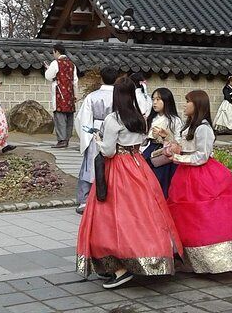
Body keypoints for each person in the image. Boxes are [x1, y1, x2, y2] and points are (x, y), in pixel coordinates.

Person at [76, 77, 183, 289]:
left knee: (112, 216)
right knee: (144, 213)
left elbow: (108, 151)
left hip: (117, 168)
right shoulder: (140, 118)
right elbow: (142, 142)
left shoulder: (113, 119)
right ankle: (151, 258)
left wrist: (98, 140)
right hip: (138, 166)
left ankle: (119, 266)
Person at [164, 90, 232, 273]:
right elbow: (186, 147)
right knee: (188, 216)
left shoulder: (204, 128)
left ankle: (214, 259)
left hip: (202, 176)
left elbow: (202, 156)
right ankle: (189, 257)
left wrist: (178, 158)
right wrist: (171, 144)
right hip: (186, 175)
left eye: (187, 102)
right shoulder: (190, 126)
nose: (184, 105)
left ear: (197, 105)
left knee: (206, 215)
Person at [73, 66, 118, 214]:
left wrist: (85, 137)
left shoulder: (92, 96)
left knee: (91, 164)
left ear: (101, 78)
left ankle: (85, 200)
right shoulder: (120, 96)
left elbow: (82, 119)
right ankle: (111, 199)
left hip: (95, 130)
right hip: (115, 131)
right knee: (112, 165)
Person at [142, 88, 184, 198]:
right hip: (151, 151)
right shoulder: (150, 118)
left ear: (167, 100)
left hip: (166, 154)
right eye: (153, 99)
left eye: (158, 99)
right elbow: (143, 140)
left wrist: (166, 137)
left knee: (162, 183)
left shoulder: (174, 120)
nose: (154, 102)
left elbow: (179, 142)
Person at [45, 44, 78, 148]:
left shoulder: (56, 63)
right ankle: (67, 139)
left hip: (59, 93)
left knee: (60, 117)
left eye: (53, 52)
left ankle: (61, 140)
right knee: (69, 117)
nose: (53, 54)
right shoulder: (72, 64)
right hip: (70, 93)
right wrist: (75, 95)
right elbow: (75, 81)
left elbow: (49, 76)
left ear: (57, 52)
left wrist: (48, 69)